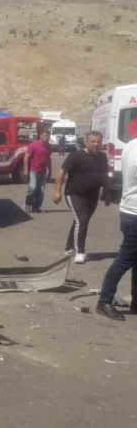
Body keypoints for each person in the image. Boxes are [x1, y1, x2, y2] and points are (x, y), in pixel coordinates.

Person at [52, 131, 110, 264]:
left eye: (98, 142)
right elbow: (61, 173)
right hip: (74, 193)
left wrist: (107, 193)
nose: (96, 144)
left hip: (92, 195)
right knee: (82, 220)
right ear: (86, 142)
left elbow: (104, 175)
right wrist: (57, 191)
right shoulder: (76, 156)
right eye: (93, 141)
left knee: (80, 221)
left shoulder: (102, 157)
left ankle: (69, 248)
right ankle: (80, 252)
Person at [95, 136, 137, 320]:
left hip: (128, 210)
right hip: (135, 213)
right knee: (124, 259)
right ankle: (104, 301)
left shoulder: (131, 145)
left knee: (134, 259)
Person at [23, 130, 52, 213]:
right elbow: (27, 157)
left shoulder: (49, 146)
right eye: (45, 135)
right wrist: (25, 169)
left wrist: (50, 170)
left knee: (41, 190)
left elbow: (48, 159)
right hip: (34, 170)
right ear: (40, 136)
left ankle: (36, 208)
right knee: (33, 188)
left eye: (48, 136)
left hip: (43, 171)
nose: (47, 137)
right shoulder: (33, 145)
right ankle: (28, 204)